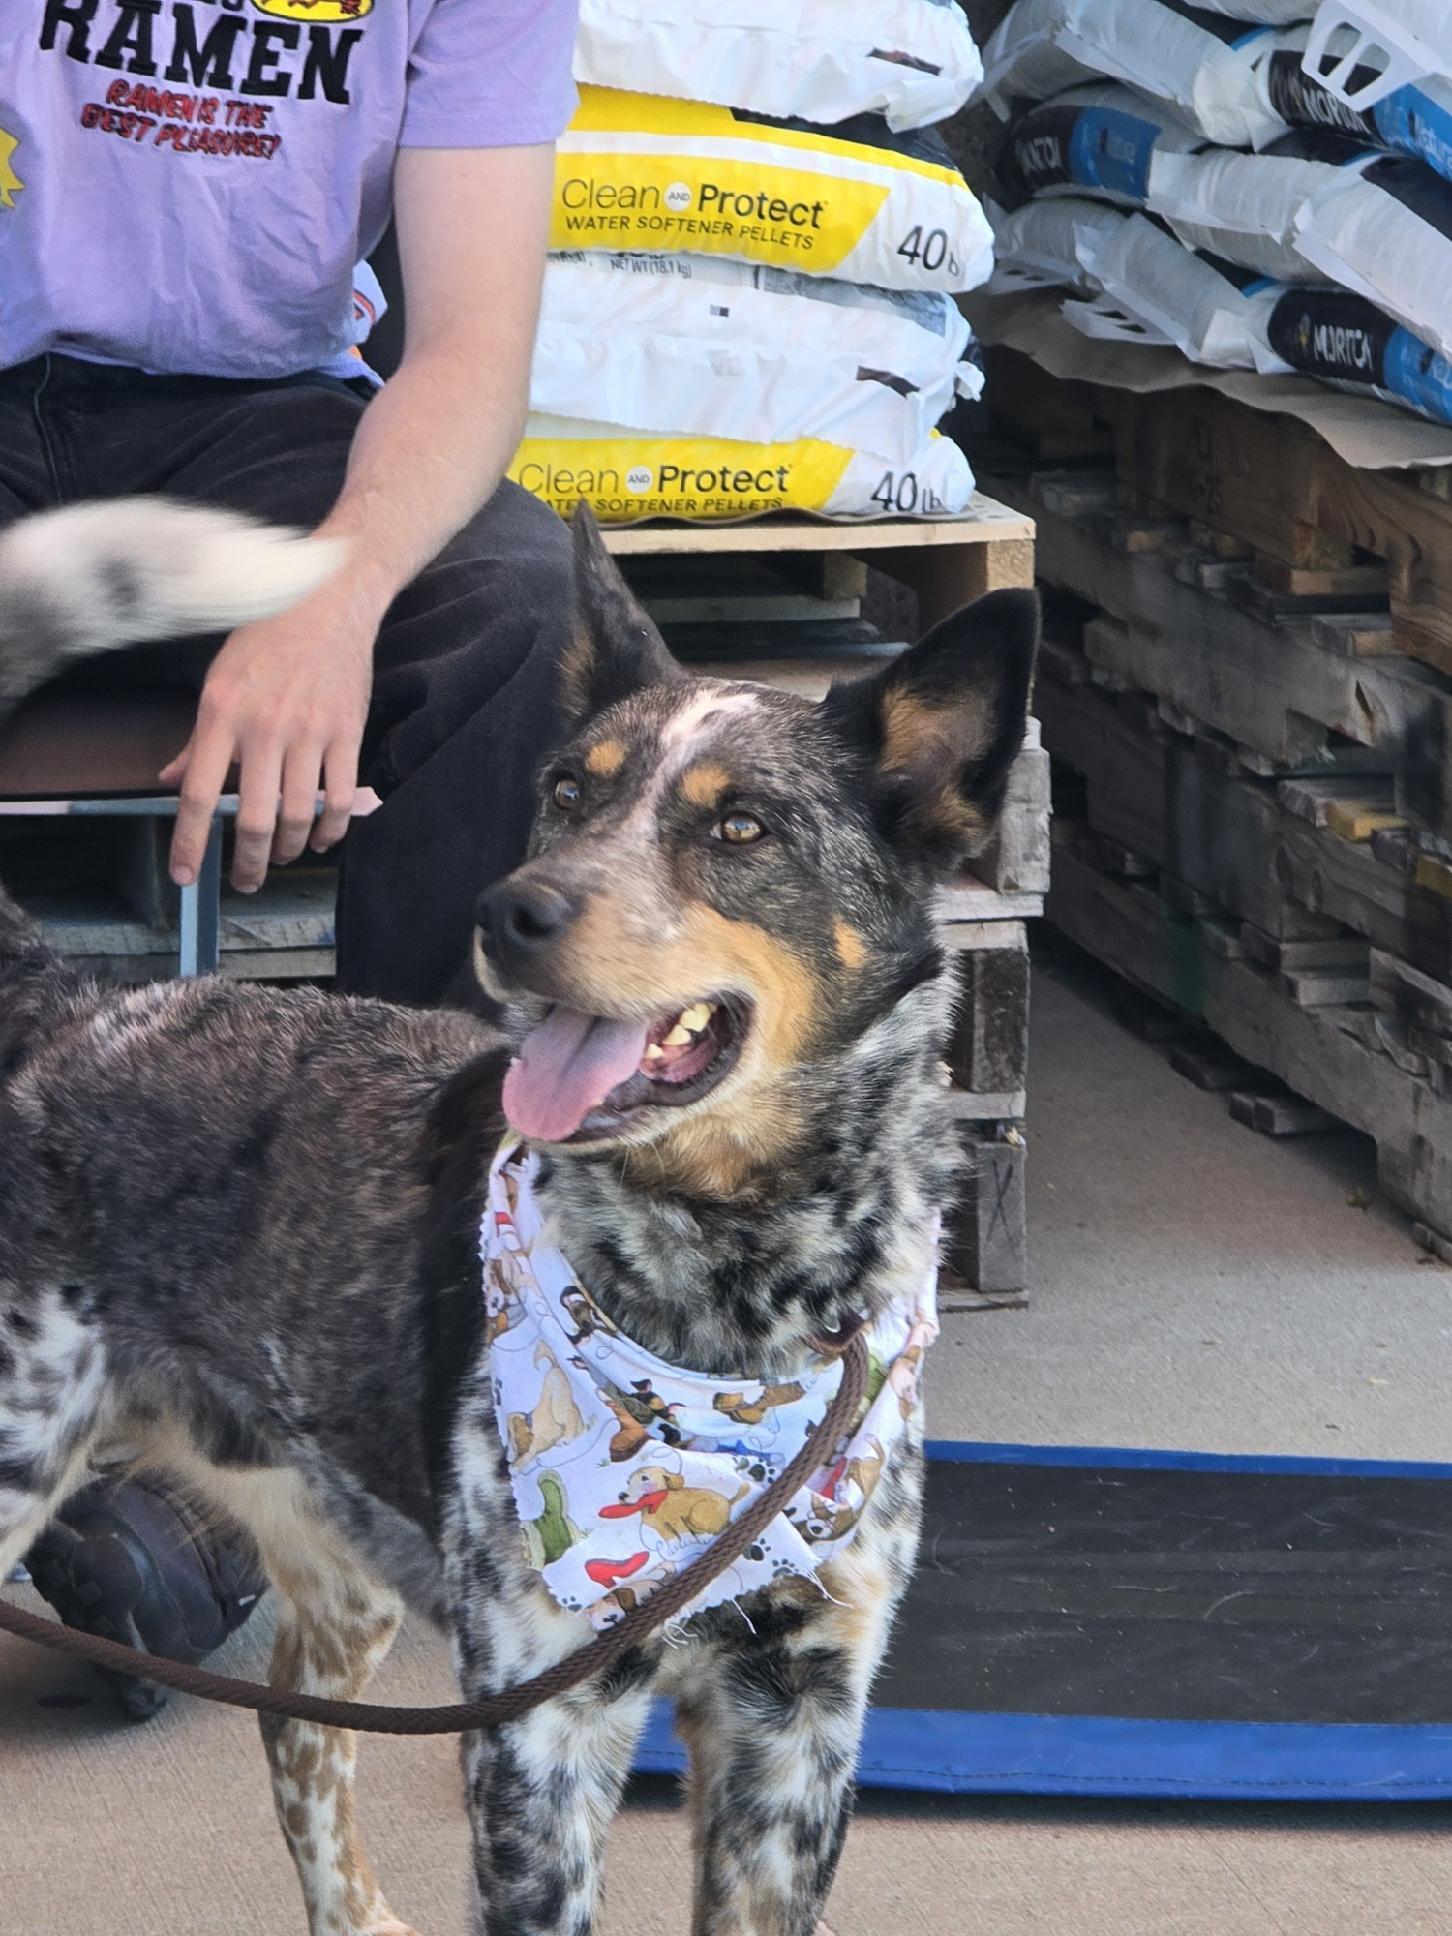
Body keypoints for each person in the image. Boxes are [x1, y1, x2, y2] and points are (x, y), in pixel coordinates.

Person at [3, 0, 581, 1710]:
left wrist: (335, 588)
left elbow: (471, 348)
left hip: (262, 427)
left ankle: (325, 1384)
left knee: (513, 624)